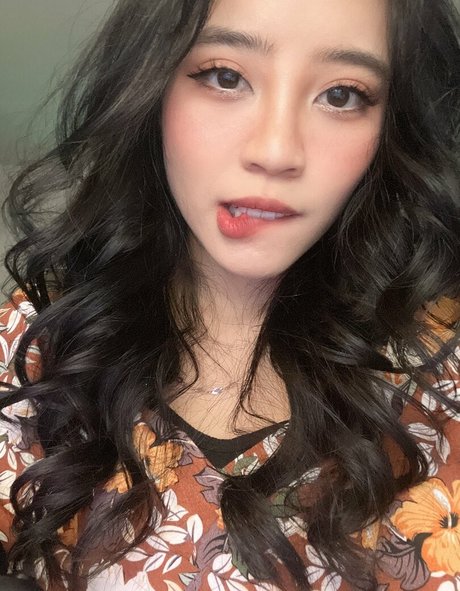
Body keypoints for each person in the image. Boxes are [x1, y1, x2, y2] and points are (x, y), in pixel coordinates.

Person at [0, 0, 459, 589]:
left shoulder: (441, 376)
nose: (275, 151)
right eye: (225, 76)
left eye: (342, 95)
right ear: (151, 88)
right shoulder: (36, 338)